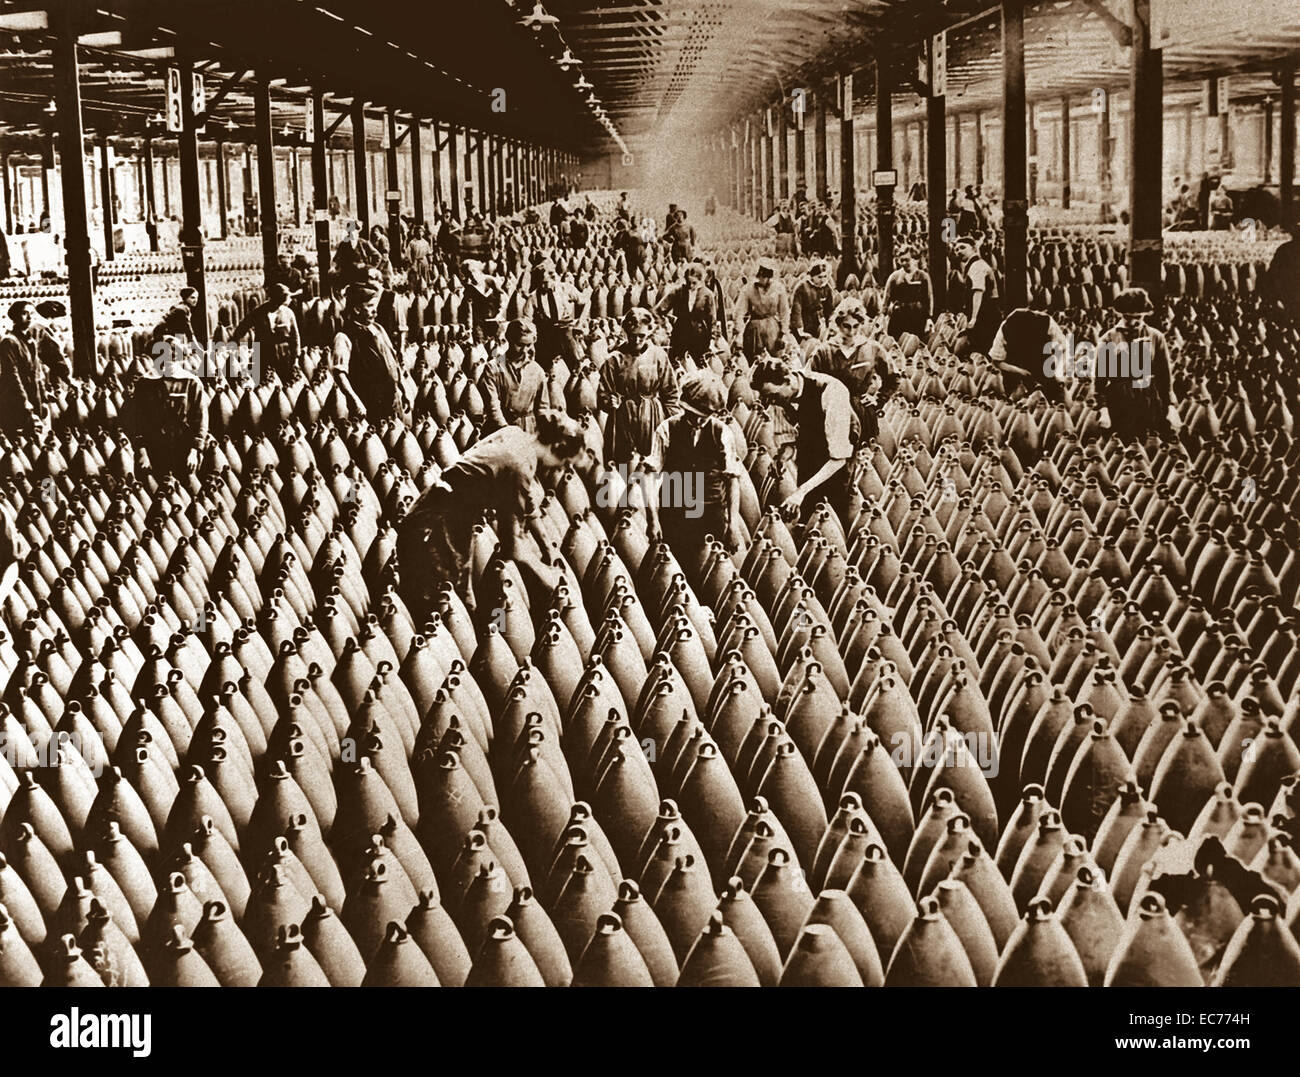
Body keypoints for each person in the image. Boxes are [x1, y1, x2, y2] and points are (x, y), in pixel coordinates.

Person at [396, 409, 589, 618]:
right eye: (564, 463)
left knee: (460, 596)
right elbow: (513, 546)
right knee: (440, 604)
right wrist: (547, 576)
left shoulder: (515, 434)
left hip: (444, 512)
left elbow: (527, 503)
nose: (560, 469)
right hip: (436, 526)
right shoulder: (519, 466)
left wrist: (547, 547)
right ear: (557, 447)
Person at [644, 370, 745, 570]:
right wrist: (652, 519)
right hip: (675, 515)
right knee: (674, 572)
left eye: (704, 417)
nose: (699, 421)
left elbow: (732, 480)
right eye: (694, 414)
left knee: (711, 574)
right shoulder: (666, 429)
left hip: (711, 515)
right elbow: (649, 475)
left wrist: (733, 525)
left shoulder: (722, 432)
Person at [751, 355, 856, 525]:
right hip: (810, 451)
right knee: (807, 514)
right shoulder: (780, 398)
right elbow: (790, 440)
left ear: (788, 381)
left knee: (830, 516)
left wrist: (801, 492)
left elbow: (839, 459)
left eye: (773, 395)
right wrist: (782, 457)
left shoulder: (832, 392)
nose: (771, 402)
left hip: (838, 463)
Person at [1093, 287, 1178, 443]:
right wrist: (1103, 410)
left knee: (1151, 445)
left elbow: (1164, 376)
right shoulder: (1108, 339)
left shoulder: (1156, 337)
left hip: (1149, 400)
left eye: (1137, 317)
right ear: (1121, 315)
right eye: (1128, 317)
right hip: (1120, 401)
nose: (1133, 322)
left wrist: (1170, 406)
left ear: (1145, 315)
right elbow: (1100, 381)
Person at [808, 296, 898, 442]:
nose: (851, 332)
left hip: (861, 412)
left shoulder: (872, 348)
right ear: (838, 324)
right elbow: (809, 383)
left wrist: (878, 399)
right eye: (846, 326)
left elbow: (893, 378)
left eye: (856, 326)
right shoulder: (824, 351)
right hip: (833, 413)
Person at [598, 307, 681, 464]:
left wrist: (674, 423)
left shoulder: (659, 356)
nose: (637, 341)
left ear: (649, 333)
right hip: (623, 418)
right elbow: (602, 395)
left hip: (652, 417)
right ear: (626, 332)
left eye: (641, 336)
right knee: (624, 464)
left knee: (652, 463)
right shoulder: (614, 360)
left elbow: (671, 393)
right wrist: (610, 401)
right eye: (633, 336)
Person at [332, 278, 412, 425]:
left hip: (392, 400)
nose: (375, 310)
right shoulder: (344, 336)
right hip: (369, 404)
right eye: (369, 306)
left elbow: (393, 362)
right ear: (357, 309)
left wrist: (403, 390)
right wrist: (354, 400)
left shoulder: (379, 329)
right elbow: (339, 373)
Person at [125, 336, 208, 478]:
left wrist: (194, 452)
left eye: (173, 358)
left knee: (186, 493)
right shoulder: (145, 384)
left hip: (184, 449)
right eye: (163, 359)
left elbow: (200, 421)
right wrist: (142, 452)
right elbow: (137, 422)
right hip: (154, 450)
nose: (168, 364)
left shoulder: (191, 383)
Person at [480, 318, 551, 434]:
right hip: (500, 428)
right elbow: (492, 405)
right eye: (519, 345)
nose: (524, 350)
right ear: (509, 339)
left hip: (528, 429)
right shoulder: (494, 367)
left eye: (528, 345)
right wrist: (504, 429)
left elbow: (543, 407)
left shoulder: (537, 370)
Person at [989, 306, 1070, 402]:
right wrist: (1019, 371)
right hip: (1016, 373)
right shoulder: (1006, 327)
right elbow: (996, 361)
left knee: (1048, 398)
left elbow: (1064, 349)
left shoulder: (1046, 322)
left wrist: (1058, 372)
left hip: (1043, 368)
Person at [232, 283, 302, 384]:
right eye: (280, 299)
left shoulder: (288, 313)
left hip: (284, 356)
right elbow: (241, 330)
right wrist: (240, 350)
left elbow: (295, 337)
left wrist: (295, 359)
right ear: (273, 298)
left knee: (285, 384)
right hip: (263, 355)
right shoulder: (258, 312)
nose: (282, 303)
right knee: (265, 385)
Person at [525, 259, 585, 371]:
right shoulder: (533, 297)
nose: (543, 286)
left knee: (575, 366)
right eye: (540, 283)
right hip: (546, 337)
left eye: (545, 282)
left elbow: (586, 302)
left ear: (553, 278)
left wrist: (580, 322)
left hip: (566, 334)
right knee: (545, 369)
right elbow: (526, 319)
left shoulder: (565, 289)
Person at [0, 301, 48, 437]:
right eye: (24, 313)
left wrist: (43, 392)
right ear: (14, 317)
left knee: (36, 435)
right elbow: (12, 374)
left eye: (31, 313)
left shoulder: (30, 341)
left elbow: (37, 370)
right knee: (21, 436)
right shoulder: (9, 342)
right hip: (16, 395)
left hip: (33, 392)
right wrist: (24, 401)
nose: (29, 317)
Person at [654, 262, 717, 362]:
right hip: (680, 334)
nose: (691, 286)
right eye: (688, 282)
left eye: (694, 283)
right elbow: (658, 310)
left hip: (699, 337)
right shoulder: (678, 291)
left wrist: (712, 340)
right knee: (678, 364)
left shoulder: (707, 294)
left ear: (701, 281)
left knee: (696, 366)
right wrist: (665, 324)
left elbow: (712, 320)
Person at [953, 235, 1001, 358]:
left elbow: (978, 292)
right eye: (956, 249)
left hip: (985, 314)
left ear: (974, 248)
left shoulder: (977, 266)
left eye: (962, 247)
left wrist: (974, 318)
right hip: (983, 313)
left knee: (983, 350)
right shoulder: (972, 265)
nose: (959, 251)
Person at [734, 258, 790, 359]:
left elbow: (784, 312)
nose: (761, 279)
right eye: (759, 276)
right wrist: (739, 333)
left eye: (764, 277)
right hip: (754, 329)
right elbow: (739, 312)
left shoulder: (778, 288)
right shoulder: (748, 289)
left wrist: (783, 333)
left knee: (774, 359)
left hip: (773, 329)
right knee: (754, 358)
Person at [883, 251, 933, 341]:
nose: (904, 263)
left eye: (907, 260)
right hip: (899, 315)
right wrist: (884, 314)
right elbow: (887, 296)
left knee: (916, 341)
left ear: (914, 260)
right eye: (902, 260)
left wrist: (929, 317)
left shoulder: (923, 276)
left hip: (917, 315)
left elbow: (929, 297)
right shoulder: (894, 276)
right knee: (898, 340)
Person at [790, 260, 836, 345]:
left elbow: (830, 309)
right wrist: (800, 330)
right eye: (819, 277)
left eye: (825, 276)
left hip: (819, 323)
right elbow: (797, 310)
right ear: (812, 276)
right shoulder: (802, 287)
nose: (822, 280)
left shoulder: (826, 288)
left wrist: (830, 324)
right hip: (805, 323)